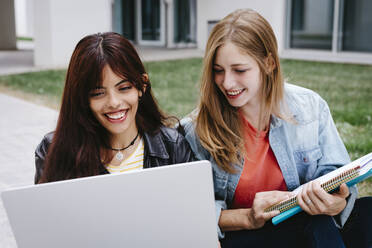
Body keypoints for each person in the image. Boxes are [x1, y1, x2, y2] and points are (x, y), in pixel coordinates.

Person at [181, 9, 372, 248]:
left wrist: (338, 203)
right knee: (313, 224)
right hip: (248, 236)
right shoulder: (194, 130)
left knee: (366, 211)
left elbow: (340, 177)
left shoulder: (310, 107)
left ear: (269, 63)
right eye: (218, 71)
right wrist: (249, 217)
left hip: (312, 229)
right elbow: (192, 214)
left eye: (240, 70)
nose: (227, 83)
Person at [35, 32, 194, 183]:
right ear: (82, 97)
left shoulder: (173, 146)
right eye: (98, 93)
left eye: (124, 88)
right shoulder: (53, 150)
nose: (114, 102)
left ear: (142, 85)